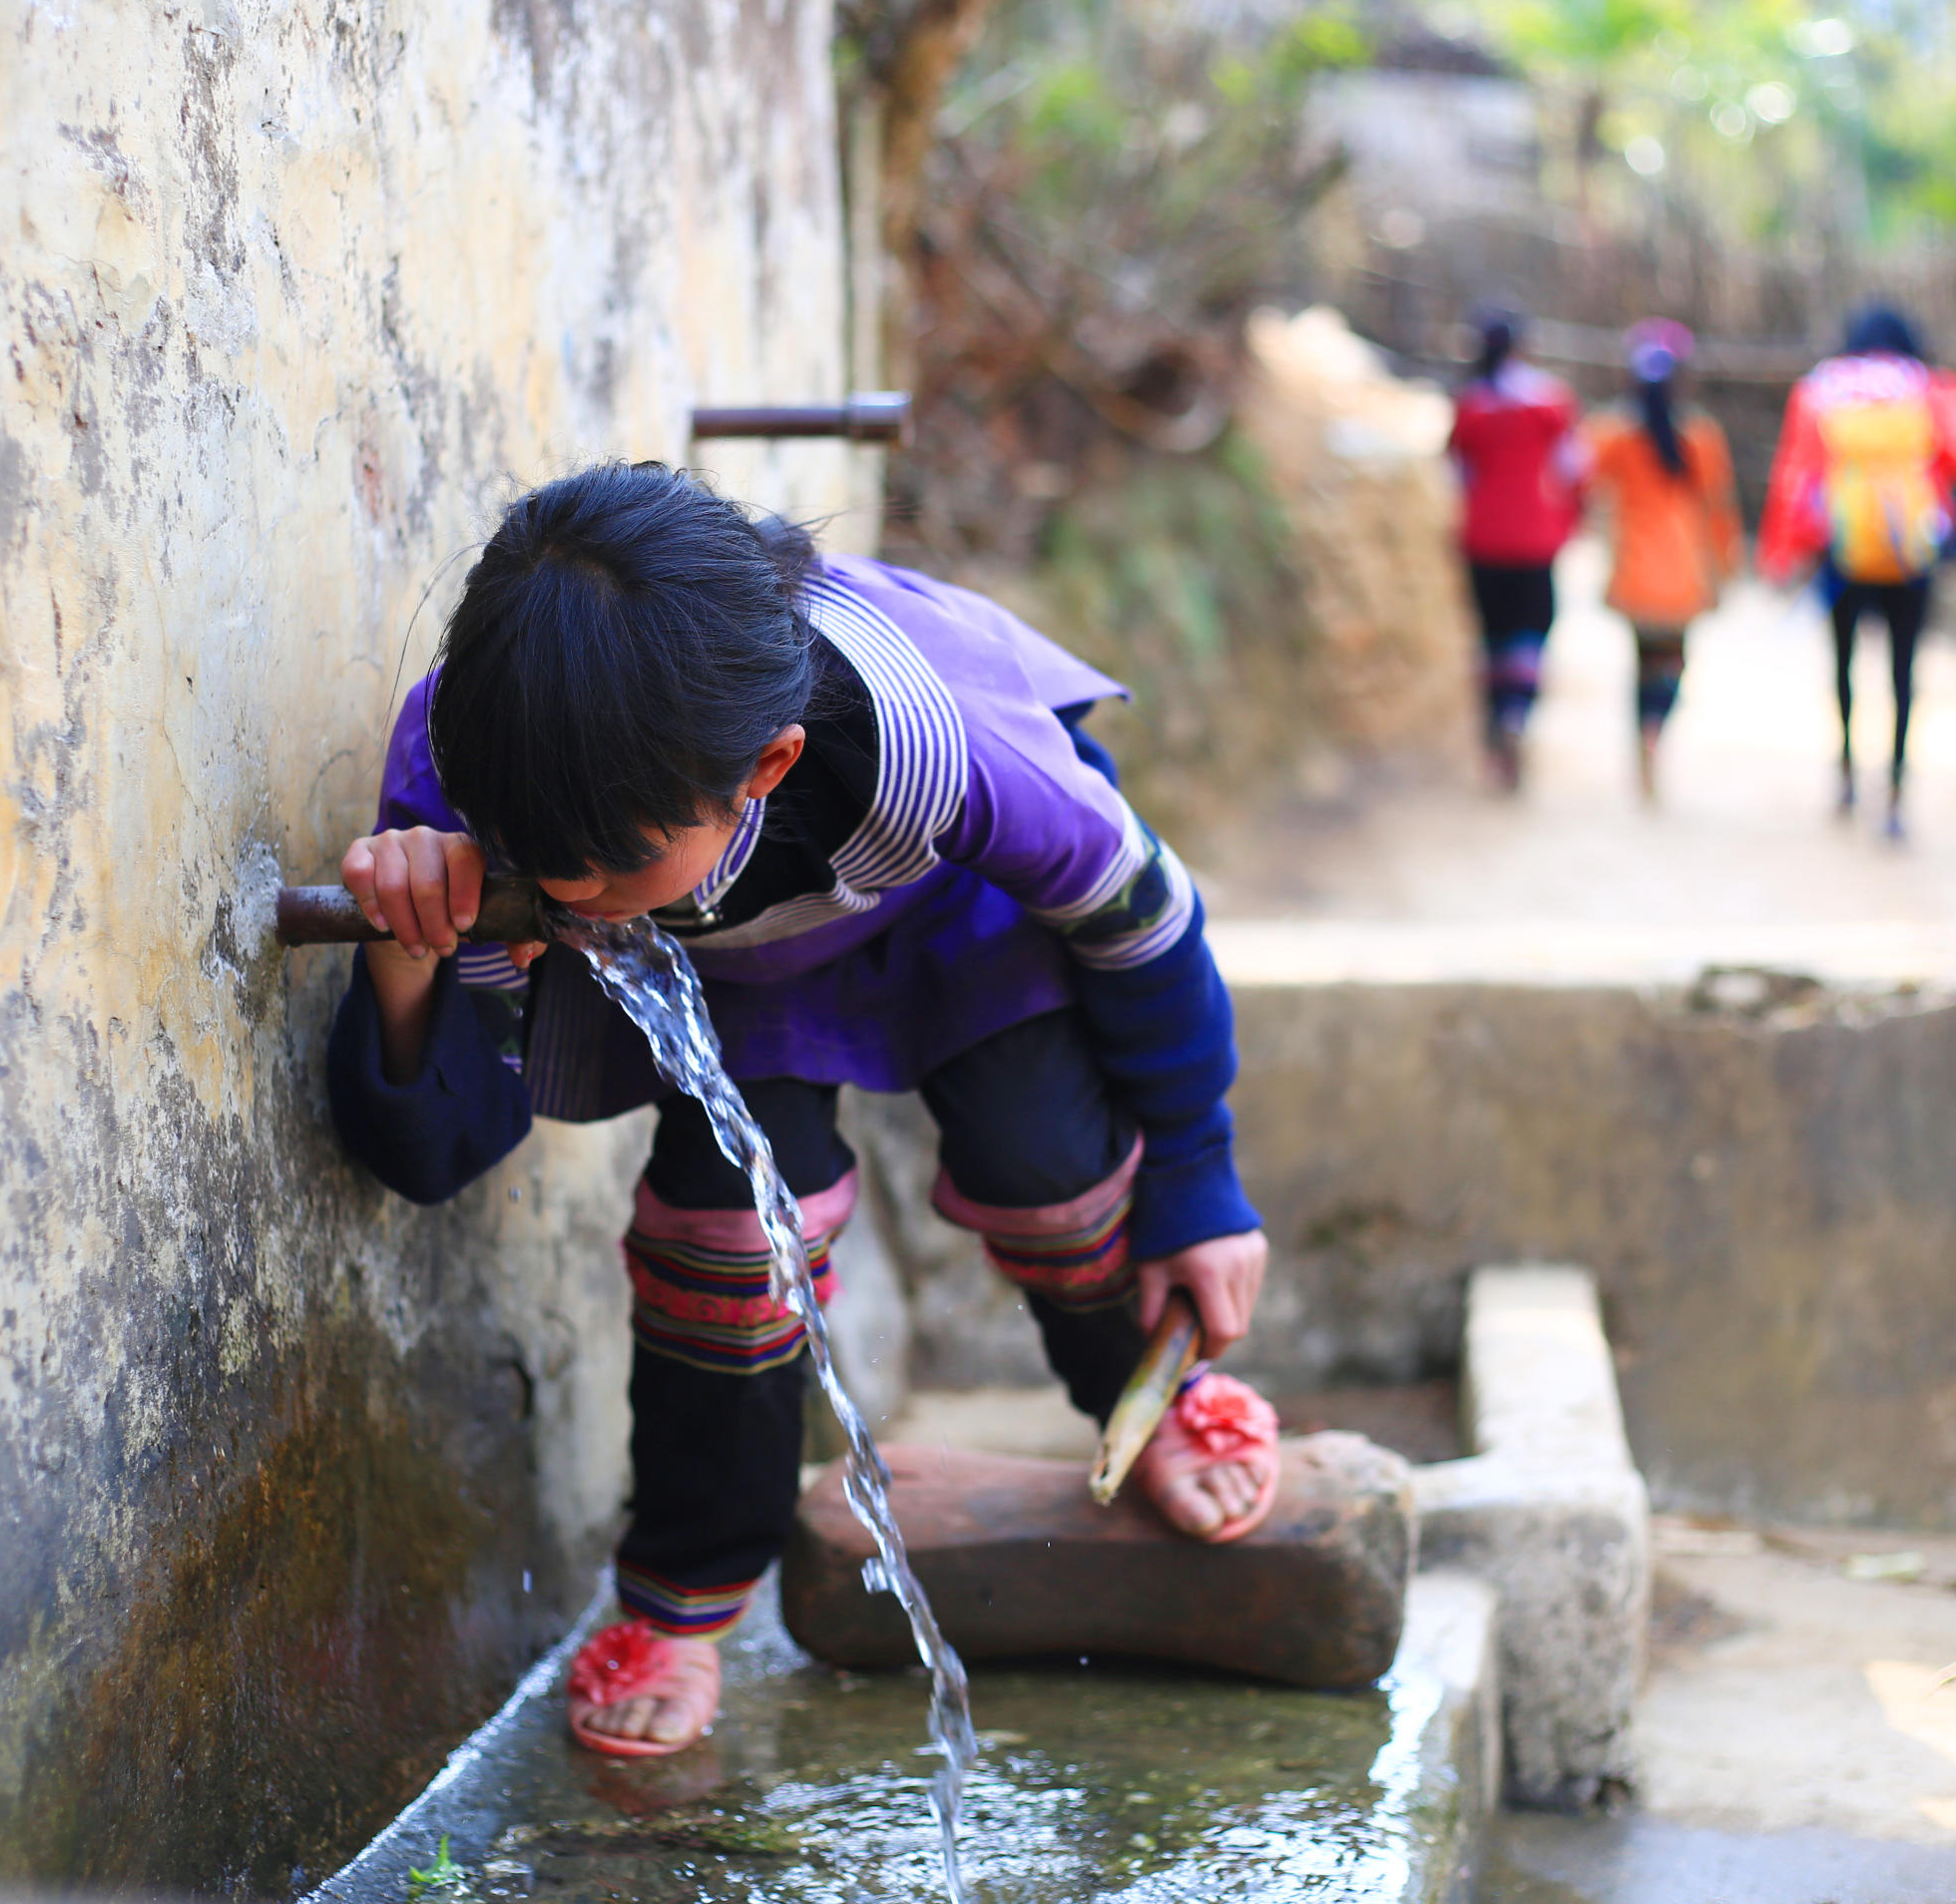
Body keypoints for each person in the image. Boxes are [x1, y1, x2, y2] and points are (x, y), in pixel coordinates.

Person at [324, 463, 1279, 1759]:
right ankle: (682, 1590)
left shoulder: (934, 735)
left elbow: (1146, 929)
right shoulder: (473, 795)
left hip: (951, 918)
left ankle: (1154, 1392)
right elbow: (443, 1145)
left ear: (769, 764)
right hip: (722, 979)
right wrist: (408, 951)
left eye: (611, 861)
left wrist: (1201, 1181)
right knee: (722, 1235)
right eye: (546, 870)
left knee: (1048, 1158)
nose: (572, 892)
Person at [1756, 303, 1956, 839]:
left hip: (1841, 552)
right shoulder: (1930, 387)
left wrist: (1780, 551)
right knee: (1902, 672)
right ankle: (1894, 794)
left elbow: (1795, 474)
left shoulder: (1821, 388)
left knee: (1843, 664)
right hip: (1914, 552)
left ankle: (1846, 772)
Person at [1579, 320, 1740, 799]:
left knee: (1642, 661)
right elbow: (1719, 509)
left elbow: (1586, 484)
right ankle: (1655, 729)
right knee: (1672, 663)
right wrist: (1725, 566)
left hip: (1635, 569)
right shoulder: (1701, 436)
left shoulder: (1614, 433)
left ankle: (1643, 738)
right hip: (1683, 572)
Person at [1447, 305, 1585, 789]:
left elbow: (1457, 475)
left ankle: (1494, 734)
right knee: (1532, 633)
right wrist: (1571, 518)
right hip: (1534, 537)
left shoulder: (1470, 405)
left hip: (1483, 538)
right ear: (1524, 346)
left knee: (1492, 637)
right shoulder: (1550, 402)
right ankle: (1517, 714)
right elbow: (1572, 469)